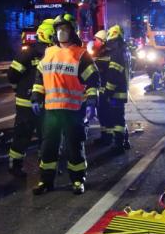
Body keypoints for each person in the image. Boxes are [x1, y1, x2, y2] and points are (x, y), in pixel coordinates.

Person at [30, 13, 99, 195]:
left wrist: (92, 101)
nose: (61, 32)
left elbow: (93, 80)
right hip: (51, 111)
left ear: (72, 31)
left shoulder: (81, 55)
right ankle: (46, 182)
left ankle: (77, 180)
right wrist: (36, 97)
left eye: (65, 28)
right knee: (48, 148)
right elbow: (40, 79)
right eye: (59, 28)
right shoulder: (49, 53)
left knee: (74, 146)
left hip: (73, 110)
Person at [6, 19, 54, 177]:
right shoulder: (48, 54)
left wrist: (18, 88)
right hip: (38, 103)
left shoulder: (28, 52)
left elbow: (13, 76)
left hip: (30, 103)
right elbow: (12, 75)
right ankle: (45, 167)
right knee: (44, 135)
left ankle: (16, 166)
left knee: (23, 135)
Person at [102, 24, 131, 154]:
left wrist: (107, 91)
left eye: (111, 41)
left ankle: (118, 145)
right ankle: (124, 141)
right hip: (121, 91)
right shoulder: (125, 51)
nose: (110, 44)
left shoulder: (117, 53)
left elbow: (113, 74)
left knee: (117, 120)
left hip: (116, 92)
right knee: (120, 117)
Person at [91, 30, 113, 146]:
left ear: (103, 41)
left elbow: (100, 66)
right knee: (101, 113)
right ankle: (105, 136)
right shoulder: (100, 52)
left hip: (106, 89)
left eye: (96, 40)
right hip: (102, 89)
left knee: (106, 113)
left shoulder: (106, 53)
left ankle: (108, 138)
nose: (94, 42)